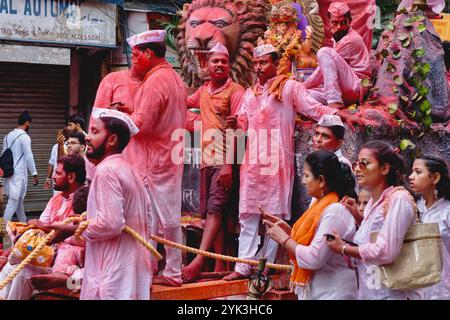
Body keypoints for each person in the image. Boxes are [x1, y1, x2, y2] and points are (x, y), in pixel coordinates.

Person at [224, 44, 362, 281]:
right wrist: (233, 125)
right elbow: (242, 124)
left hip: (276, 162)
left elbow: (314, 108)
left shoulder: (288, 87)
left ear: (275, 63)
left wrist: (342, 115)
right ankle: (243, 266)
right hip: (252, 162)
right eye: (256, 63)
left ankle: (263, 268)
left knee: (273, 217)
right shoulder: (250, 93)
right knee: (246, 216)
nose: (258, 67)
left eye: (264, 62)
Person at [44, 108, 152, 300]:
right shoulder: (129, 169)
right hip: (130, 273)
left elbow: (110, 224)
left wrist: (70, 230)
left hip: (112, 277)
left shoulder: (106, 171)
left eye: (94, 131)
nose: (87, 138)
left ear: (112, 140)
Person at [123, 30, 186, 287]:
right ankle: (170, 270)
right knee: (168, 218)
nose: (133, 61)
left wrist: (118, 118)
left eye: (136, 56)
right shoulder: (174, 78)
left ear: (149, 53)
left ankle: (152, 271)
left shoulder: (154, 81)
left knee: (148, 220)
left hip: (153, 162)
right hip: (168, 158)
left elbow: (142, 125)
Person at [181, 43, 245, 282]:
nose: (219, 65)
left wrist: (229, 165)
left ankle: (199, 260)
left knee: (217, 210)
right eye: (215, 61)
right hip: (207, 161)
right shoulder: (204, 89)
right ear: (207, 65)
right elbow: (184, 102)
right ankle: (218, 262)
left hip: (225, 160)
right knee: (213, 212)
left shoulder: (236, 91)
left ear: (229, 66)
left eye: (223, 61)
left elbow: (237, 128)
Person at [326, 140, 416, 299]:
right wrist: (359, 217)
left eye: (365, 164)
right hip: (370, 291)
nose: (358, 170)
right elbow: (377, 232)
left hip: (390, 294)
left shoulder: (398, 199)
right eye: (357, 164)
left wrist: (344, 248)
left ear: (384, 168)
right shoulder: (373, 202)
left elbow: (386, 251)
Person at [262, 150, 357, 299]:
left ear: (321, 181)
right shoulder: (320, 206)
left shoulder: (335, 211)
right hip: (321, 291)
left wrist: (285, 240)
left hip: (333, 293)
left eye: (306, 176)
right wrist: (289, 232)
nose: (303, 181)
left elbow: (314, 258)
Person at [0, 154, 86, 300]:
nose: (52, 176)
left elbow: (78, 239)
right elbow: (36, 230)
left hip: (64, 260)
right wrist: (8, 253)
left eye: (58, 173)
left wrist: (45, 227)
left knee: (23, 273)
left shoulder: (85, 200)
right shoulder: (56, 199)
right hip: (46, 253)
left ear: (71, 177)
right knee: (12, 265)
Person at [304, 2, 371, 109]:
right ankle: (333, 99)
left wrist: (302, 85)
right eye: (335, 23)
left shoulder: (350, 40)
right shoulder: (339, 36)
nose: (339, 27)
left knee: (323, 52)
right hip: (345, 89)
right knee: (304, 95)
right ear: (328, 22)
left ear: (350, 21)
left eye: (343, 22)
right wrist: (302, 89)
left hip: (356, 86)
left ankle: (334, 101)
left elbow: (320, 73)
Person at [409, 155, 450, 300]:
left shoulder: (447, 210)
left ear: (435, 177)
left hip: (442, 288)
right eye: (412, 171)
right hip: (414, 287)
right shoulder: (412, 207)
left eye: (418, 172)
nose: (411, 176)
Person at [2, 111, 38, 222]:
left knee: (19, 201)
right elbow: (29, 156)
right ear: (27, 123)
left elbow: (3, 154)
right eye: (29, 124)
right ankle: (3, 228)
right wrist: (34, 173)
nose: (29, 126)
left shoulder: (7, 136)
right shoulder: (25, 137)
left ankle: (24, 223)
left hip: (8, 172)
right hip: (18, 174)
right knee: (13, 200)